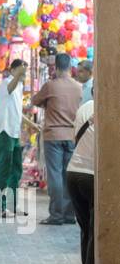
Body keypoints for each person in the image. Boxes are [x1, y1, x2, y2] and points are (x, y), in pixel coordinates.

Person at [31, 53, 82, 225]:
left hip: (53, 136)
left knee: (55, 176)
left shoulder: (51, 86)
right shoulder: (78, 86)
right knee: (68, 175)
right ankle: (69, 215)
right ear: (70, 67)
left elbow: (35, 100)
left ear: (56, 67)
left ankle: (56, 215)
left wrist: (47, 104)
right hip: (71, 135)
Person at [66, 96, 95, 264]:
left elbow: (77, 138)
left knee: (86, 231)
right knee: (96, 235)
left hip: (74, 172)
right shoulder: (112, 109)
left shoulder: (86, 107)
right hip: (94, 176)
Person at [0, 60, 26, 218]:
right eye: (20, 70)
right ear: (12, 70)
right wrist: (18, 73)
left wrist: (32, 124)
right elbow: (9, 89)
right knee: (3, 171)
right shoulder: (7, 82)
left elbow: (18, 111)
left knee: (16, 170)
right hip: (4, 131)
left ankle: (12, 205)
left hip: (14, 132)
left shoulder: (19, 86)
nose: (23, 73)